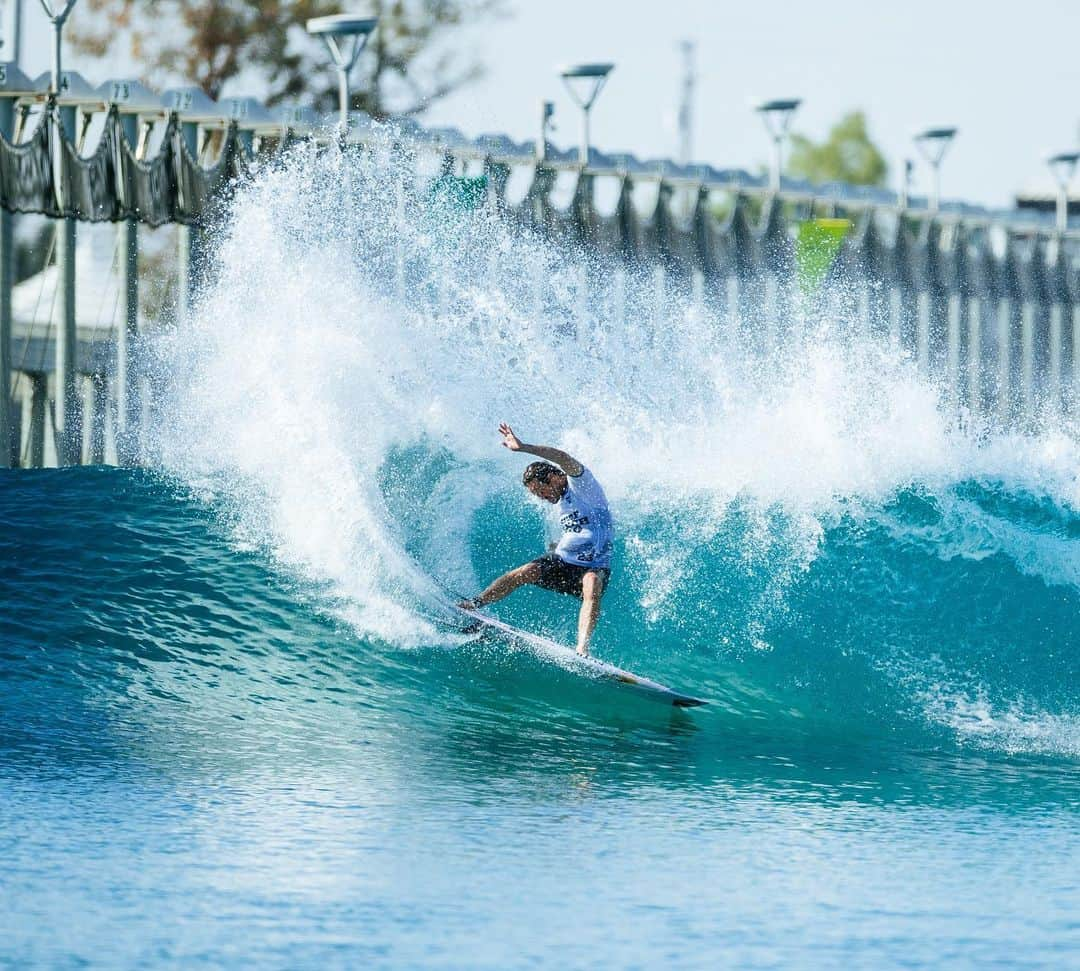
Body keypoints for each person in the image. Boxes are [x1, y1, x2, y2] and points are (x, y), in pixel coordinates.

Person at [459, 423, 614, 656]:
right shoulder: (559, 503)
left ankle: (582, 648)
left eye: (541, 491)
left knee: (592, 581)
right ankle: (475, 604)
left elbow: (562, 457)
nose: (541, 498)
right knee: (525, 571)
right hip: (564, 562)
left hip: (592, 568)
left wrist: (523, 447)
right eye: (536, 495)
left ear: (553, 477)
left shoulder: (582, 485)